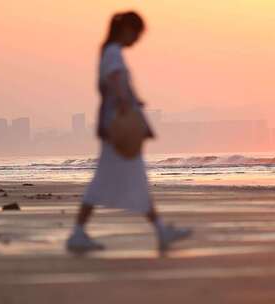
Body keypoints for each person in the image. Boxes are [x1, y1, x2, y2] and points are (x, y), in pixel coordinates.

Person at [66, 11, 192, 253]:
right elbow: (114, 80)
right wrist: (126, 103)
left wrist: (134, 100)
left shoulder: (109, 52)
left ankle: (160, 230)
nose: (137, 40)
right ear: (126, 30)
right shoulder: (113, 52)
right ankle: (79, 233)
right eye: (137, 34)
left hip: (114, 125)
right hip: (118, 127)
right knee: (113, 181)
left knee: (132, 180)